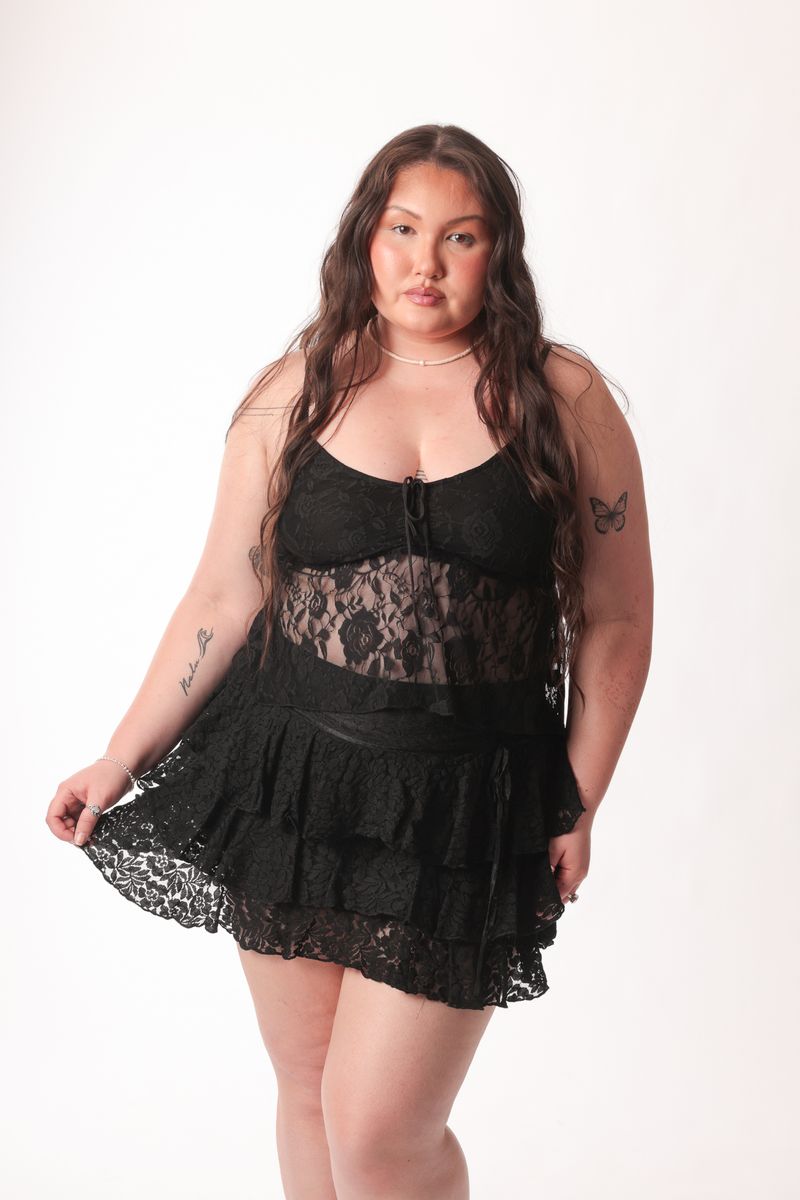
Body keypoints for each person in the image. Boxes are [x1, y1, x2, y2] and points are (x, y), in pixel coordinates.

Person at [45, 124, 654, 1200]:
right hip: (293, 777)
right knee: (309, 1092)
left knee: (380, 1135)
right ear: (364, 239)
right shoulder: (297, 390)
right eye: (403, 230)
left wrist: (579, 797)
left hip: (465, 798)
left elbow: (615, 618)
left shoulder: (564, 399)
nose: (426, 264)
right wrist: (118, 755)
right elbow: (222, 597)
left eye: (460, 237)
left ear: (498, 251)